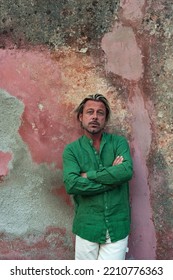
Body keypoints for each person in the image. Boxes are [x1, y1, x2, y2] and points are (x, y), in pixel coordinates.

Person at [62, 93, 133, 260]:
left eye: (100, 113)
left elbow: (126, 171)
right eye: (90, 112)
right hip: (87, 226)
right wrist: (112, 180)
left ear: (105, 118)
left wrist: (89, 175)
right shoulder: (72, 150)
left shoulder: (119, 143)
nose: (95, 117)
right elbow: (72, 185)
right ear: (81, 117)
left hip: (117, 225)